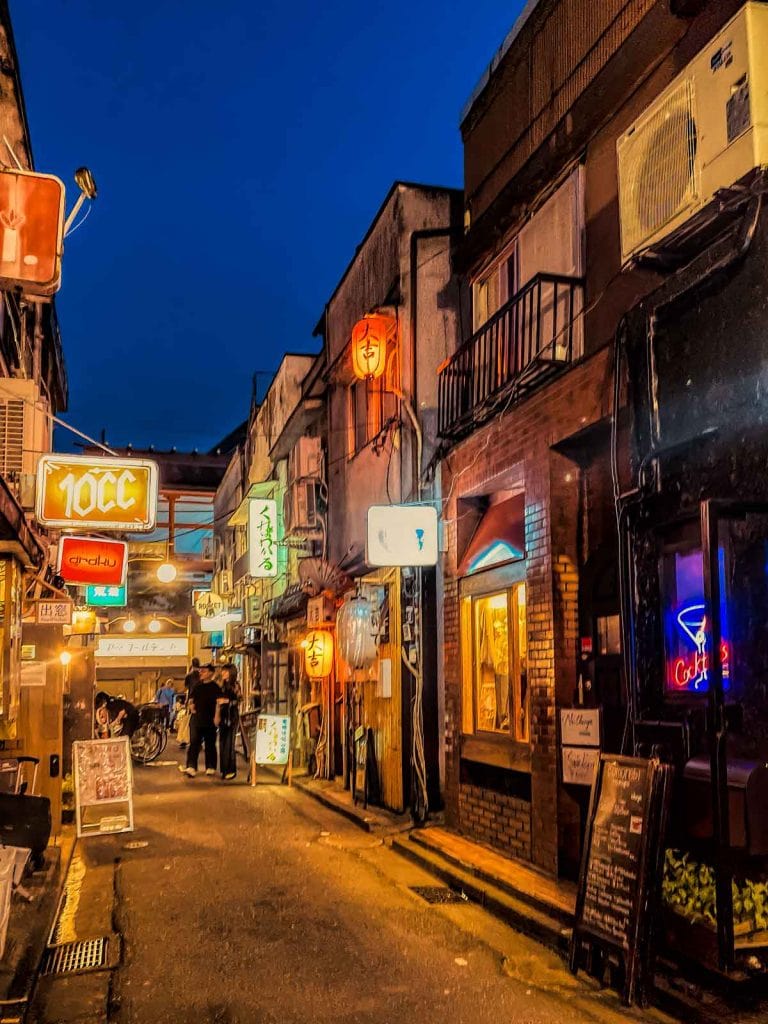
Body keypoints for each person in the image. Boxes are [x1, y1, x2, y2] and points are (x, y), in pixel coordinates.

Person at [179, 664, 221, 777]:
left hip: (210, 719)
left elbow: (219, 703)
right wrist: (191, 705)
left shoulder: (215, 687)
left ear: (211, 673)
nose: (201, 673)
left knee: (210, 743)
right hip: (196, 719)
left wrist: (217, 716)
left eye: (204, 671)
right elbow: (191, 699)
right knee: (194, 743)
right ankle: (191, 766)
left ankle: (211, 766)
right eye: (201, 671)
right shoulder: (197, 686)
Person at [216, 665, 241, 781]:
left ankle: (231, 770)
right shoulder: (221, 685)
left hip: (232, 716)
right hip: (223, 715)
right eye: (223, 671)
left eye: (225, 671)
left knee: (229, 744)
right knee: (222, 742)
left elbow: (239, 700)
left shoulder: (235, 685)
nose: (223, 673)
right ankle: (224, 770)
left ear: (231, 672)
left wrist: (227, 701)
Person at [178, 659, 200, 749]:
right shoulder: (202, 674)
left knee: (189, 720)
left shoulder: (189, 676)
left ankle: (186, 739)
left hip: (191, 700)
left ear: (192, 665)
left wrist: (177, 693)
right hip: (201, 700)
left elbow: (186, 688)